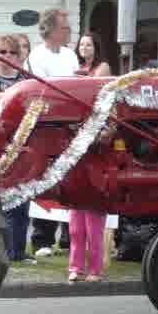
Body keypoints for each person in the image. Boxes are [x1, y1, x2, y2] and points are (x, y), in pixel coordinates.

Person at [25, 9, 79, 256]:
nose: (69, 31)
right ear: (52, 30)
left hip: (72, 124)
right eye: (65, 27)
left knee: (72, 180)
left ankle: (69, 237)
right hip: (47, 125)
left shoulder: (70, 55)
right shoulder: (38, 56)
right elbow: (42, 88)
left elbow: (78, 83)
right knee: (45, 180)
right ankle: (42, 238)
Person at [0, 35, 36, 264]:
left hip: (24, 145)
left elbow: (34, 103)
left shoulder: (26, 78)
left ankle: (18, 251)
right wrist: (16, 98)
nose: (6, 57)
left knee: (21, 201)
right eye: (1, 52)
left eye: (11, 52)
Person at [68, 31, 111, 283]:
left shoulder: (101, 67)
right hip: (76, 138)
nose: (84, 48)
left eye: (89, 44)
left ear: (96, 47)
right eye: (81, 44)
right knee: (75, 216)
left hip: (95, 138)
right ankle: (75, 266)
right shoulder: (76, 67)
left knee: (93, 212)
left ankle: (95, 268)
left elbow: (97, 95)